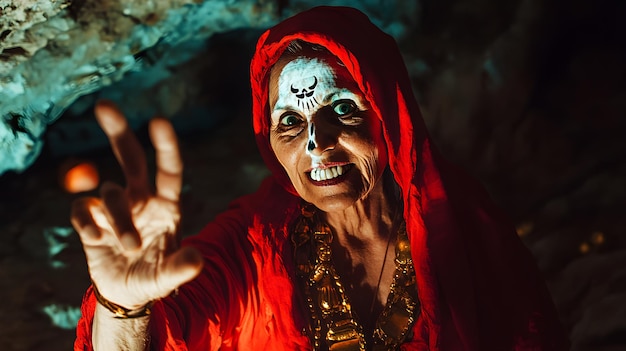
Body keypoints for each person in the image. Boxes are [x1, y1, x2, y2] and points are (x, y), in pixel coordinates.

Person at [73, 6, 569, 351]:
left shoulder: (465, 231)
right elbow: (165, 334)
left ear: (391, 116)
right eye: (289, 121)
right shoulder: (251, 244)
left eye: (343, 111)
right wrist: (123, 307)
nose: (317, 143)